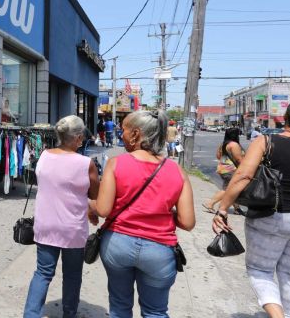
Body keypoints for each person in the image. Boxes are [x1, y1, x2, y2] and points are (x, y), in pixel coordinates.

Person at [213, 99, 290, 318]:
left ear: (285, 119)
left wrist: (223, 208)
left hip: (272, 217)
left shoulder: (266, 141)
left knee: (260, 271)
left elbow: (243, 175)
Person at [94, 110, 195, 318]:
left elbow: (103, 209)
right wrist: (159, 211)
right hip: (159, 250)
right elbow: (187, 222)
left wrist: (89, 205)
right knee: (155, 312)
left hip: (118, 244)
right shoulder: (177, 171)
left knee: (119, 307)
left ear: (135, 134)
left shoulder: (116, 163)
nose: (121, 134)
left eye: (123, 130)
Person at [24, 116, 100, 318]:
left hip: (46, 224)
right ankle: (69, 313)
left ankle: (31, 314)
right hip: (72, 229)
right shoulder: (86, 163)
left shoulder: (44, 156)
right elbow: (95, 194)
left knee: (42, 273)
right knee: (72, 275)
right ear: (78, 137)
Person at [203, 127, 244, 214]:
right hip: (231, 170)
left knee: (233, 188)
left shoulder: (223, 144)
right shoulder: (234, 145)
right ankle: (210, 203)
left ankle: (237, 208)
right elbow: (239, 159)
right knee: (228, 189)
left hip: (223, 169)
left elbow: (218, 156)